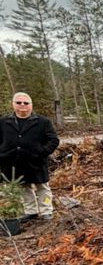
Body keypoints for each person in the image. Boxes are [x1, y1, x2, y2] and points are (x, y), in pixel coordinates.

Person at [0, 92, 59, 221]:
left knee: (42, 187)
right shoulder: (3, 122)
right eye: (19, 102)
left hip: (36, 161)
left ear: (31, 105)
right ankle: (30, 211)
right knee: (23, 187)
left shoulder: (43, 122)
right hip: (12, 162)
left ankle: (46, 211)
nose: (22, 105)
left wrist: (42, 152)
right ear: (13, 104)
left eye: (26, 103)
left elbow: (53, 140)